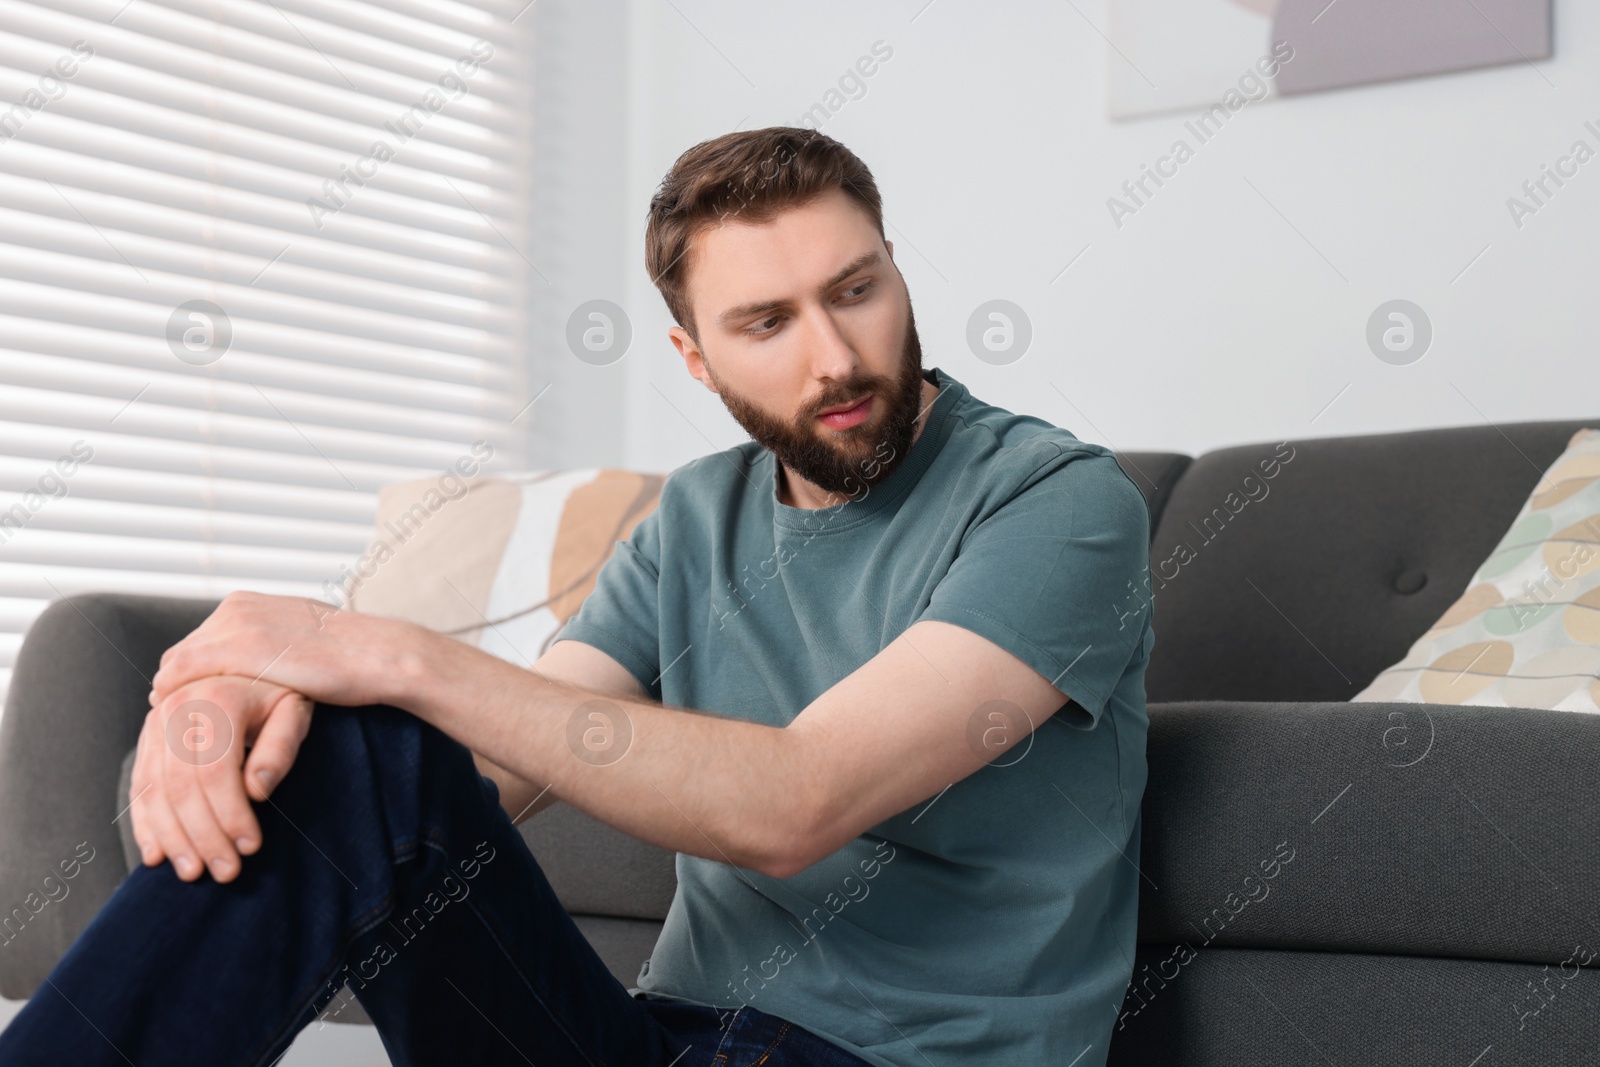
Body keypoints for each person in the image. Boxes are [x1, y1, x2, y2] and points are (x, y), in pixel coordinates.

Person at [0, 126, 1154, 1067]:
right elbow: (501, 763)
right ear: (693, 355)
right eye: (766, 322)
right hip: (657, 1042)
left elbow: (798, 802)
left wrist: (379, 648)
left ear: (896, 269)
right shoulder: (696, 517)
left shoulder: (1055, 501)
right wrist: (255, 685)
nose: (836, 357)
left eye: (855, 290)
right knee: (364, 756)